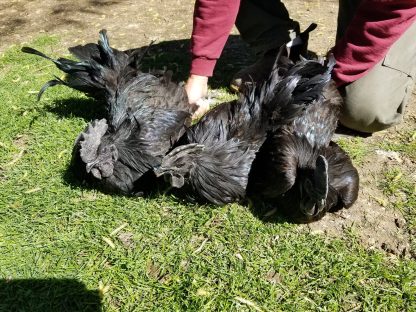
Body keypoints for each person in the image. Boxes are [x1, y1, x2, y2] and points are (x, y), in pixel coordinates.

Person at [185, 0, 416, 133]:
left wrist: (329, 77)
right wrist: (199, 75)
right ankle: (280, 48)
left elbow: (392, 8)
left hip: (389, 7)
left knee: (363, 111)